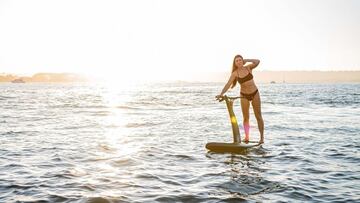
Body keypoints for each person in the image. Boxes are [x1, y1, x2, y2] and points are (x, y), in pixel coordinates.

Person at [216, 55, 264, 144]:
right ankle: (247, 137)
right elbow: (228, 84)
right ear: (235, 63)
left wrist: (247, 60)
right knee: (246, 118)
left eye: (240, 60)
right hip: (244, 95)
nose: (238, 62)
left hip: (255, 93)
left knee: (258, 116)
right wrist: (221, 94)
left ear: (242, 61)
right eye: (236, 61)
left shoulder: (248, 67)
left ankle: (261, 138)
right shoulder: (235, 73)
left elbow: (257, 61)